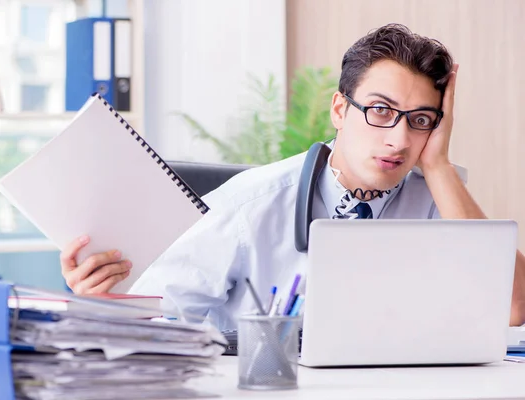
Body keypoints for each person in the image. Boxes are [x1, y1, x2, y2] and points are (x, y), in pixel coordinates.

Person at [60, 23, 525, 330]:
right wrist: (100, 300)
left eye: (421, 119)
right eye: (381, 111)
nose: (399, 140)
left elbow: (513, 308)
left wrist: (440, 167)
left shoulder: (439, 203)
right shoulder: (249, 206)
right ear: (340, 109)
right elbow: (152, 321)